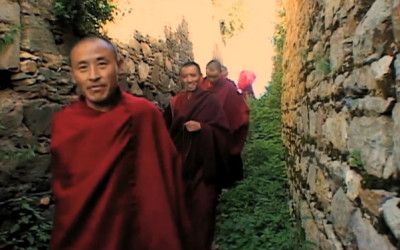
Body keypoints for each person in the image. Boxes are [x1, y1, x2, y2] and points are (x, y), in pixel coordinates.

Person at [50, 36, 192, 250]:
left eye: (102, 64)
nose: (94, 76)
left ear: (119, 66)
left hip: (141, 235)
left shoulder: (143, 115)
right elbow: (67, 200)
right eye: (82, 68)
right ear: (73, 74)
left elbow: (167, 179)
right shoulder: (65, 124)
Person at [163, 61, 230, 250]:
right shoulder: (175, 103)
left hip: (204, 167)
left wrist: (204, 128)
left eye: (193, 75)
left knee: (203, 210)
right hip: (179, 166)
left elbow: (223, 132)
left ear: (201, 77)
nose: (189, 80)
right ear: (181, 79)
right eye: (185, 76)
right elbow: (164, 130)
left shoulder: (210, 101)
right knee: (181, 211)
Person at [200, 59, 250, 186]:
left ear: (221, 72)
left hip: (225, 128)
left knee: (228, 154)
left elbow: (237, 108)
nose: (211, 79)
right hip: (207, 128)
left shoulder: (228, 86)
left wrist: (237, 121)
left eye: (214, 76)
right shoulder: (202, 85)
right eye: (209, 76)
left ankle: (232, 184)